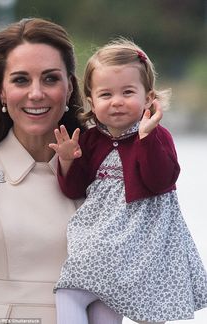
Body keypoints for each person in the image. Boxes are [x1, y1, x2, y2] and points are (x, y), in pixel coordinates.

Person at [0, 18, 123, 324]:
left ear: (69, 87)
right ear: (1, 91)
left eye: (50, 79)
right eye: (21, 80)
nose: (36, 93)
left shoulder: (106, 171)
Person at [49, 38, 207, 324]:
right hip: (99, 241)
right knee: (86, 300)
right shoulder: (91, 140)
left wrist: (146, 138)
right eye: (106, 94)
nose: (117, 101)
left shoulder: (157, 136)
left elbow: (160, 181)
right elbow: (73, 189)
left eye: (128, 92)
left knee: (79, 295)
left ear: (148, 98)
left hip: (137, 244)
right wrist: (67, 160)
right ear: (92, 101)